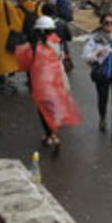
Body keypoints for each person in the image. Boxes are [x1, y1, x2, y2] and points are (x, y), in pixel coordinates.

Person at [15, 16, 82, 150]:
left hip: (39, 83)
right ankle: (54, 134)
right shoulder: (57, 42)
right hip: (56, 81)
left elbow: (24, 64)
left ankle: (50, 134)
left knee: (43, 110)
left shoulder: (32, 47)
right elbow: (61, 57)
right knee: (53, 108)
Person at [82, 14, 112, 144]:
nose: (109, 25)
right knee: (103, 99)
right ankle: (102, 117)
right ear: (102, 24)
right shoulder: (95, 39)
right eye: (106, 23)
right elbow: (86, 56)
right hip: (102, 73)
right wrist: (97, 54)